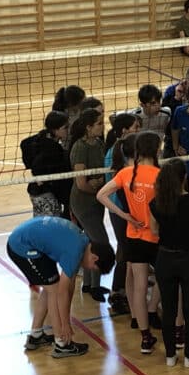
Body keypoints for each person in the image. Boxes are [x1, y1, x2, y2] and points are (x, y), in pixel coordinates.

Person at [7, 216, 115, 358]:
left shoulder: (83, 243)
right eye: (94, 268)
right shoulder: (74, 251)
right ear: (94, 258)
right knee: (54, 289)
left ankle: (36, 335)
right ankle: (61, 344)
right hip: (21, 246)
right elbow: (61, 292)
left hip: (30, 242)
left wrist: (66, 317)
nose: (90, 269)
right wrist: (65, 325)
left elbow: (70, 286)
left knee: (50, 286)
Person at [97, 131, 162, 354]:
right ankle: (156, 313)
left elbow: (101, 195)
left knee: (139, 286)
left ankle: (145, 337)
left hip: (134, 236)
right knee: (164, 279)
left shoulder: (126, 173)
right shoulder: (160, 175)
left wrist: (124, 215)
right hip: (156, 237)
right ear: (156, 149)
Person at [150, 158, 189, 368]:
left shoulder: (157, 203)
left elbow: (154, 231)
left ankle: (170, 356)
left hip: (165, 259)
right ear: (184, 177)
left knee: (168, 309)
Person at [68, 108, 110, 302]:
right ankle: (94, 287)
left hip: (96, 199)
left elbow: (101, 174)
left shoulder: (99, 144)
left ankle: (87, 284)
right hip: (83, 202)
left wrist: (99, 182)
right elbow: (81, 184)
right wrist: (98, 189)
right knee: (100, 242)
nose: (103, 126)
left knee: (92, 240)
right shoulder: (80, 147)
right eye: (99, 123)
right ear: (88, 127)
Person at [104, 114, 141, 315]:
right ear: (125, 131)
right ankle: (117, 293)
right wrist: (127, 211)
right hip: (122, 210)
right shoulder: (116, 153)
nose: (138, 130)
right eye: (136, 127)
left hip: (122, 209)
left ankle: (125, 289)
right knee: (126, 251)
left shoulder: (120, 149)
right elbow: (119, 186)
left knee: (126, 250)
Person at [20, 110, 73, 219]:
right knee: (50, 224)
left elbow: (24, 143)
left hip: (36, 192)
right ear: (55, 130)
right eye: (65, 128)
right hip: (45, 195)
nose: (68, 130)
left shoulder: (41, 136)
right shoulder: (53, 149)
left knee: (40, 223)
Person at [52, 85, 86, 151]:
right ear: (71, 104)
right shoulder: (61, 117)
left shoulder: (81, 110)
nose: (83, 104)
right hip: (69, 149)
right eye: (81, 103)